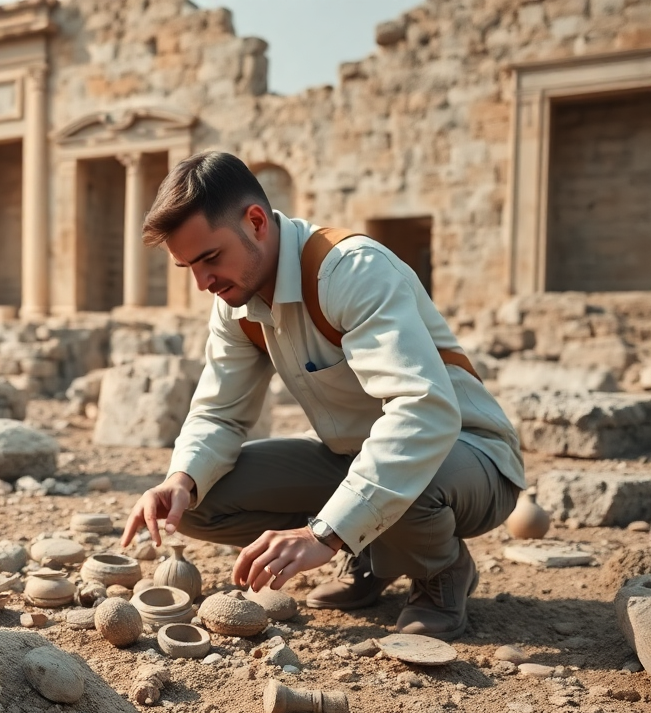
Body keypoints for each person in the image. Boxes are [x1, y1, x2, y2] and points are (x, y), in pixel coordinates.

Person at [122, 151, 525, 641]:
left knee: (411, 469)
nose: (203, 283)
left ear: (256, 223)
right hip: (353, 456)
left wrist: (324, 533)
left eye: (209, 258)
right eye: (187, 266)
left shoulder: (352, 271)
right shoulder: (235, 302)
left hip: (468, 456)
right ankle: (372, 550)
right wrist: (181, 479)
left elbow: (422, 413)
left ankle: (440, 570)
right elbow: (219, 414)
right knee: (196, 501)